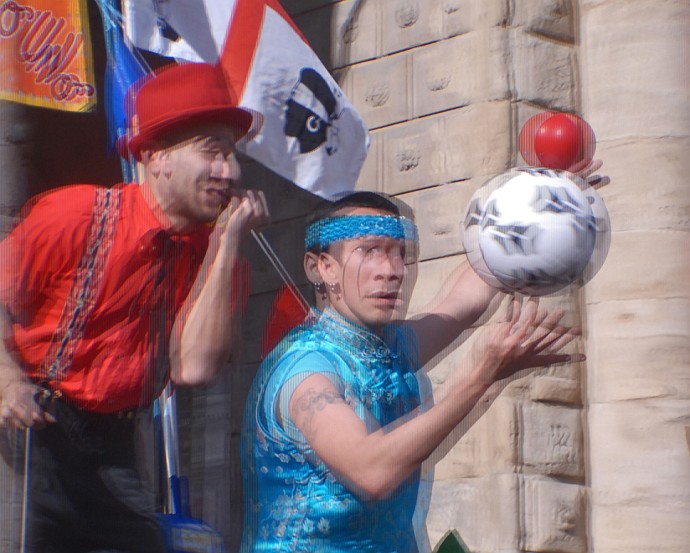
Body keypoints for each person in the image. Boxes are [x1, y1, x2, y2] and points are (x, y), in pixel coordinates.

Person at [0, 62, 269, 553]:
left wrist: (227, 244)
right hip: (29, 434)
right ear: (155, 156)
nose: (229, 172)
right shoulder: (75, 215)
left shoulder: (219, 260)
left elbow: (194, 368)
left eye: (232, 155)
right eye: (211, 152)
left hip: (115, 450)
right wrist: (7, 380)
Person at [240, 191, 582, 552]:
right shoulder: (306, 369)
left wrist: (545, 196)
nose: (392, 271)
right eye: (370, 251)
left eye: (399, 253)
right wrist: (480, 376)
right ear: (323, 267)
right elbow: (371, 472)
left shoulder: (389, 347)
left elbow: (464, 300)